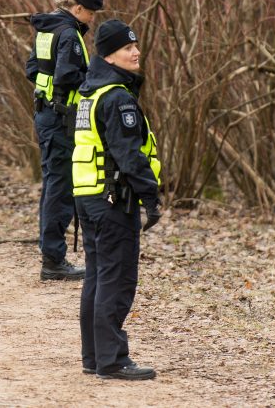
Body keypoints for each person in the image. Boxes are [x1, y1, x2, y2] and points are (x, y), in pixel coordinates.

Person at [72, 19, 162, 380]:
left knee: (97, 276)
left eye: (136, 45)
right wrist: (150, 197)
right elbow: (129, 155)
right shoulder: (116, 97)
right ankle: (111, 360)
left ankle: (94, 356)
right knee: (117, 279)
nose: (136, 51)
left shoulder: (89, 92)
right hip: (112, 200)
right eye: (127, 48)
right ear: (109, 56)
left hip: (87, 196)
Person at [25, 0, 104, 281]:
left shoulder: (47, 29)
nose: (93, 18)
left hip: (47, 113)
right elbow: (69, 76)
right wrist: (94, 78)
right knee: (60, 188)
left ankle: (52, 256)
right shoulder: (69, 34)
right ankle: (53, 260)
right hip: (61, 119)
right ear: (78, 8)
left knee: (53, 185)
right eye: (91, 13)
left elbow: (31, 68)